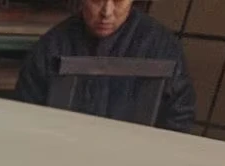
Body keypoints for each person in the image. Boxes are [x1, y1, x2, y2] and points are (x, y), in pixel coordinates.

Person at [15, 0, 195, 132]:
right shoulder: (52, 46)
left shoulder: (161, 48)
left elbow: (179, 120)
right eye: (96, 0)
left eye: (118, 1)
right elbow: (26, 117)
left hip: (137, 160)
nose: (106, 12)